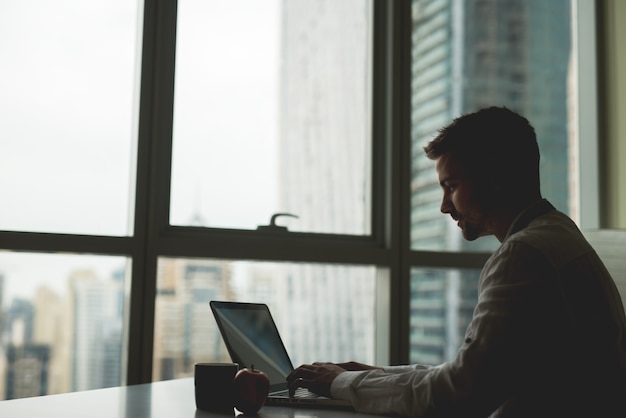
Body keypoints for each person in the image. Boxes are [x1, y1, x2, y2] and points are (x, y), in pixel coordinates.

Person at [286, 107, 626, 417]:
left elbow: (458, 393)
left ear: (495, 177)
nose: (444, 206)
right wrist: (368, 376)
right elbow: (475, 373)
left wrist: (341, 384)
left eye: (451, 186)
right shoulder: (558, 233)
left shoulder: (523, 255)